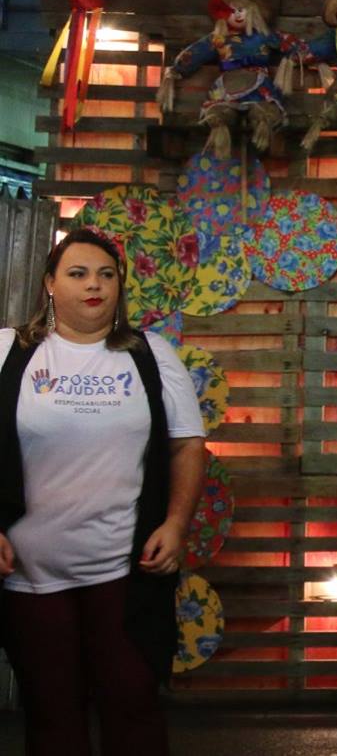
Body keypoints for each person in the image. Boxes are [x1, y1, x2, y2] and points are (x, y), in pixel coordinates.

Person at [0, 229, 208, 756]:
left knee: (133, 705)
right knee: (52, 715)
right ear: (50, 283)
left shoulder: (150, 355)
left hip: (125, 570)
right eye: (78, 273)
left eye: (106, 274)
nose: (93, 285)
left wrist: (176, 525)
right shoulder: (8, 351)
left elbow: (188, 445)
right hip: (28, 573)